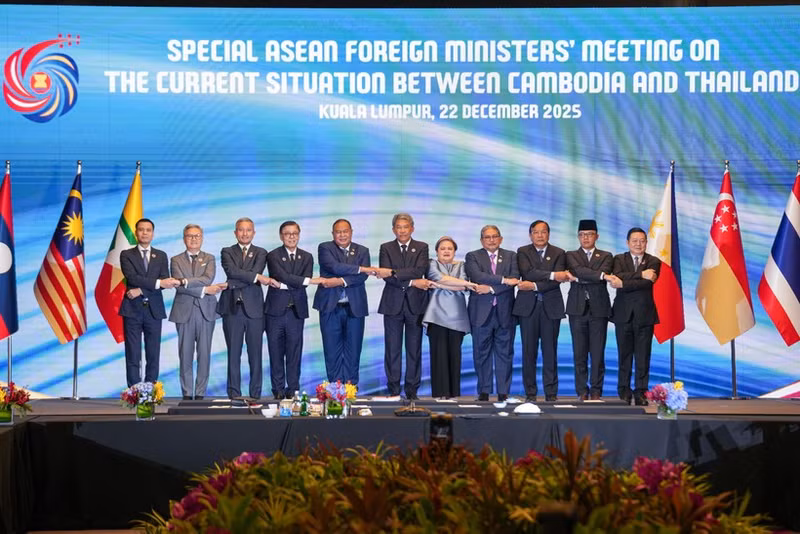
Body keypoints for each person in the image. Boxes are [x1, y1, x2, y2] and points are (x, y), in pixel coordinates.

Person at [217, 217, 278, 400]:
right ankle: (234, 394)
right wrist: (258, 278)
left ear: (254, 232)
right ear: (235, 232)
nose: (244, 233)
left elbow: (239, 275)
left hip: (255, 310)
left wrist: (235, 282)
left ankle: (255, 395)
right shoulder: (227, 251)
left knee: (255, 355)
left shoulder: (261, 252)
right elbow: (232, 272)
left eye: (248, 230)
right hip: (232, 309)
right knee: (233, 354)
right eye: (241, 230)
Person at [513, 220, 571, 402]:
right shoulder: (522, 251)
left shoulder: (559, 253)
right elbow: (527, 272)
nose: (539, 235)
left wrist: (535, 285)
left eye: (543, 232)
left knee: (550, 351)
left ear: (548, 234)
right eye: (536, 232)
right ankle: (530, 393)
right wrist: (552, 274)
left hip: (550, 308)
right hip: (527, 308)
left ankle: (551, 393)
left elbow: (557, 281)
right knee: (528, 352)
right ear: (530, 235)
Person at [119, 218, 180, 386]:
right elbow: (132, 277)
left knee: (153, 353)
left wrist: (141, 290)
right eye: (141, 229)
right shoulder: (126, 254)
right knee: (133, 353)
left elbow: (164, 281)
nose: (145, 232)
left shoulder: (160, 255)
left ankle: (151, 390)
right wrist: (157, 283)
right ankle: (134, 392)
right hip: (132, 310)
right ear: (136, 233)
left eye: (148, 230)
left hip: (154, 310)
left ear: (153, 234)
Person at [169, 224, 227, 400]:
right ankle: (187, 393)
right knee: (185, 355)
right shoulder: (175, 260)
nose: (193, 239)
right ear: (184, 238)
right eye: (190, 236)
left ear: (202, 238)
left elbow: (207, 278)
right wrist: (203, 290)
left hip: (206, 311)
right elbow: (178, 285)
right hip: (184, 311)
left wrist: (185, 281)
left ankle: (200, 393)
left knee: (204, 354)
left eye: (197, 236)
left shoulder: (209, 258)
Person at [313, 219, 373, 385]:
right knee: (332, 352)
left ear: (351, 232)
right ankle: (334, 391)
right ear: (333, 234)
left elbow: (362, 277)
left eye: (345, 231)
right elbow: (334, 267)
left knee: (353, 351)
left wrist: (339, 281)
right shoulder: (325, 248)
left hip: (355, 307)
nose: (342, 235)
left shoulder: (362, 250)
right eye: (338, 232)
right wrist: (360, 268)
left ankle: (351, 390)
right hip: (330, 307)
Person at [378, 213, 431, 400]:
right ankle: (393, 389)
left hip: (415, 306)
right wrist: (411, 282)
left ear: (412, 228)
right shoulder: (386, 248)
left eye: (405, 227)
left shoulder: (422, 247)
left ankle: (412, 390)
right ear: (394, 229)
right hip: (392, 305)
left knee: (414, 349)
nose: (402, 230)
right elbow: (386, 276)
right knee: (392, 349)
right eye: (398, 227)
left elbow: (419, 271)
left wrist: (394, 271)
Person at [465, 225, 520, 402]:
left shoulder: (511, 256)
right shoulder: (473, 256)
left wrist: (490, 289)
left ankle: (503, 392)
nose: (491, 240)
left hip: (505, 312)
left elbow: (515, 279)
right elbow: (477, 276)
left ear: (501, 239)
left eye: (494, 236)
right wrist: (503, 280)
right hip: (480, 314)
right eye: (487, 237)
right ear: (482, 240)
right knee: (481, 353)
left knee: (505, 353)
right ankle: (484, 391)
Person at [607, 227, 661, 406]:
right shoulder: (618, 259)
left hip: (645, 315)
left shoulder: (654, 261)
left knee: (643, 357)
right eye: (635, 241)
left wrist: (624, 283)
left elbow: (647, 283)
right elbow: (617, 277)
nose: (638, 244)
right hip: (623, 315)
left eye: (642, 241)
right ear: (627, 242)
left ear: (646, 242)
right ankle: (624, 391)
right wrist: (639, 275)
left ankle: (641, 392)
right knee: (624, 356)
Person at [265, 221, 315, 400]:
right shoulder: (272, 255)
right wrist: (299, 282)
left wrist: (289, 284)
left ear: (299, 235)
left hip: (296, 311)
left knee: (294, 352)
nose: (291, 236)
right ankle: (278, 390)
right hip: (275, 312)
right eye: (287, 233)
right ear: (281, 236)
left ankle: (293, 389)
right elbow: (281, 276)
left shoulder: (307, 256)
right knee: (275, 351)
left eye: (295, 233)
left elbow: (306, 279)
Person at [423, 236, 476, 399]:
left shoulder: (462, 265)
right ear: (437, 251)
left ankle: (454, 396)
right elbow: (439, 277)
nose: (446, 251)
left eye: (450, 249)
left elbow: (463, 284)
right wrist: (457, 284)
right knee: (438, 357)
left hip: (457, 318)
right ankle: (439, 395)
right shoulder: (431, 264)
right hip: (436, 315)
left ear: (454, 251)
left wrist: (440, 286)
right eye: (442, 248)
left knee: (455, 357)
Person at [565, 219, 613, 400]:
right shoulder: (570, 255)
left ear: (597, 236)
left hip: (599, 310)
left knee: (598, 353)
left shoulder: (607, 255)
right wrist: (599, 275)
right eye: (582, 235)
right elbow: (579, 271)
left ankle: (596, 391)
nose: (585, 238)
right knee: (579, 353)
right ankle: (582, 391)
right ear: (578, 236)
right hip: (577, 309)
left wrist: (579, 277)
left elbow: (581, 273)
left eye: (589, 234)